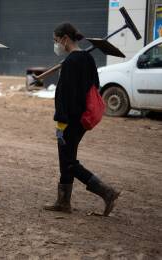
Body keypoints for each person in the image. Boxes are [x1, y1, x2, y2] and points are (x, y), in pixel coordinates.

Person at [44, 23, 120, 216]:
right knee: (66, 157)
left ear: (65, 39)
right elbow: (95, 85)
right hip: (84, 117)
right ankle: (63, 202)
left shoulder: (70, 63)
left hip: (70, 120)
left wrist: (60, 124)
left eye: (55, 40)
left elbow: (63, 96)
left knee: (68, 161)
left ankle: (106, 192)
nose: (55, 45)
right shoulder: (87, 58)